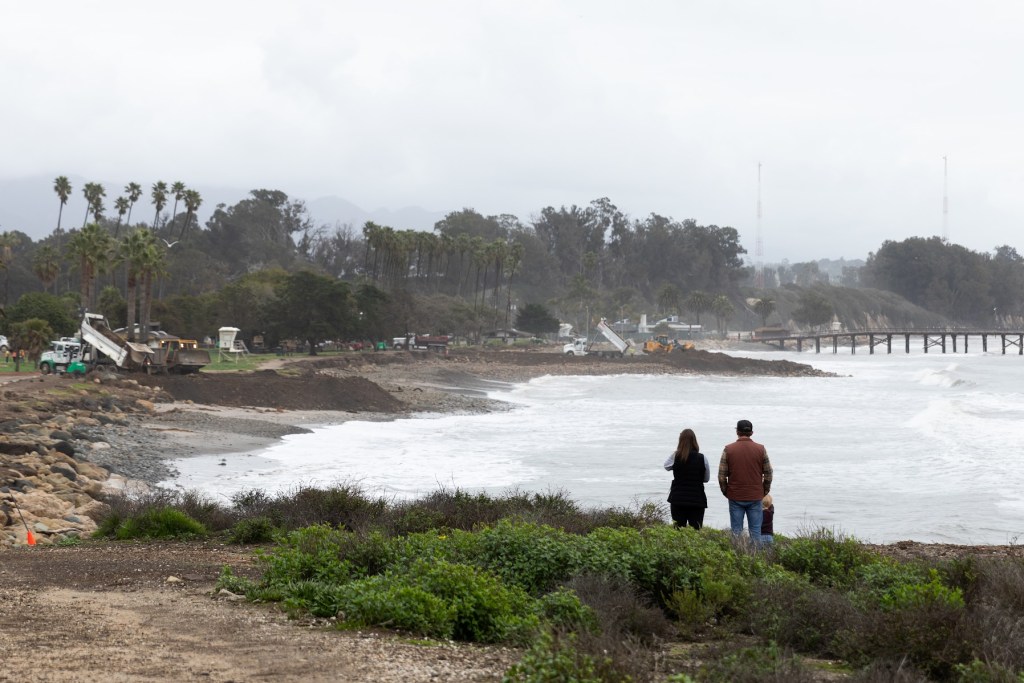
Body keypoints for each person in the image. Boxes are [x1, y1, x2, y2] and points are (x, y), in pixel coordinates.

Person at [718, 419, 772, 543]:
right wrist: (764, 491)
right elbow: (768, 473)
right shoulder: (761, 449)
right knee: (755, 532)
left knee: (736, 532)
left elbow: (721, 475)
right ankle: (755, 554)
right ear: (751, 433)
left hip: (735, 496)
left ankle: (738, 553)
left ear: (737, 432)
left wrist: (726, 492)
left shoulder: (728, 449)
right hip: (755, 496)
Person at [663, 428, 710, 529]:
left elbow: (666, 466)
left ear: (680, 441)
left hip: (677, 499)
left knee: (678, 530)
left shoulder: (676, 456)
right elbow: (706, 479)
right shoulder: (702, 458)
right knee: (696, 531)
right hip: (697, 499)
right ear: (694, 441)